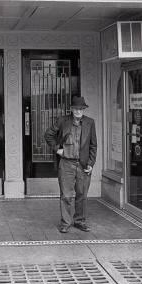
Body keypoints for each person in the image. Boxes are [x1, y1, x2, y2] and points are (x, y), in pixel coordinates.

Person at [44, 95, 97, 233]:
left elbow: (93, 145)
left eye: (81, 109)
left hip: (83, 164)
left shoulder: (90, 122)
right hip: (66, 163)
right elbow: (48, 134)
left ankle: (79, 221)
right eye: (76, 109)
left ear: (84, 109)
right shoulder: (63, 121)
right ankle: (66, 222)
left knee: (82, 195)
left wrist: (91, 163)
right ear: (71, 109)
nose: (78, 111)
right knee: (66, 195)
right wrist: (57, 149)